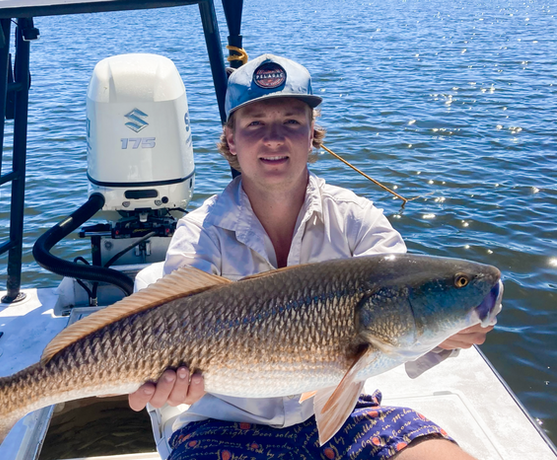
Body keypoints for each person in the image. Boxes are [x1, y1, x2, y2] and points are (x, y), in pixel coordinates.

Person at [129, 54, 493, 460]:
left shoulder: (358, 219)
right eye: (254, 124)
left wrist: (448, 338)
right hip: (222, 425)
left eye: (291, 122)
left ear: (312, 135)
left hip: (349, 415)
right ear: (230, 140)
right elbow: (167, 326)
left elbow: (401, 325)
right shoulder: (200, 232)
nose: (273, 138)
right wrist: (169, 383)